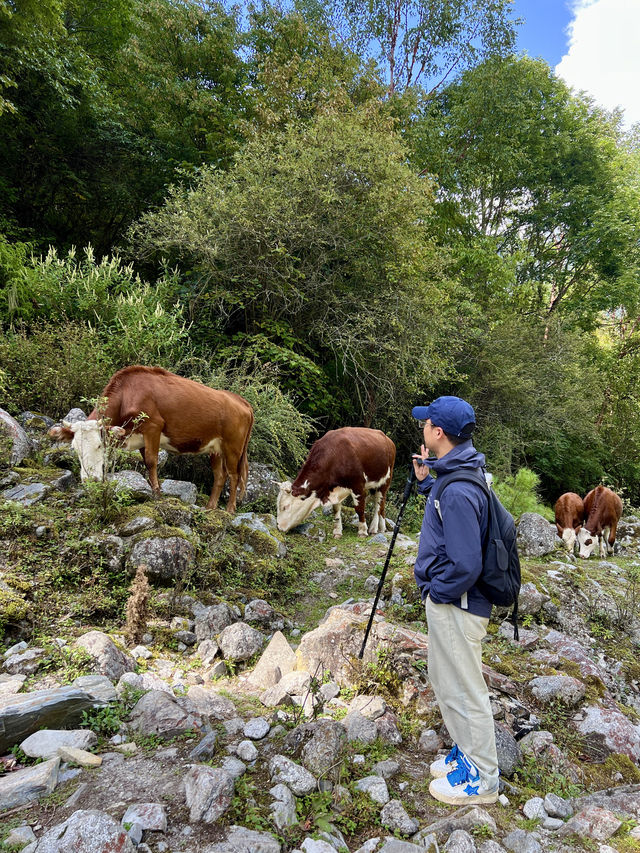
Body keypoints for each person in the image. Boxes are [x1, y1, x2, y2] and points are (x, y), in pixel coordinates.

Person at [411, 395, 499, 805]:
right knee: (446, 682)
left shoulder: (459, 490)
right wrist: (428, 481)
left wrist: (435, 590)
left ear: (439, 432)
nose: (422, 427)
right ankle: (465, 754)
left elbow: (466, 563)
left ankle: (483, 780)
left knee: (465, 690)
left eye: (426, 423)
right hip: (453, 603)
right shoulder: (457, 472)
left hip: (458, 604)